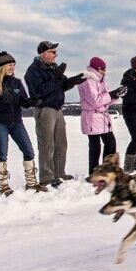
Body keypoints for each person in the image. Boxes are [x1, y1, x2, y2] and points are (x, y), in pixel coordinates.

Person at [24, 41, 87, 187]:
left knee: (61, 143)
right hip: (45, 109)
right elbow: (40, 91)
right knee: (47, 144)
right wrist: (57, 77)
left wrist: (73, 81)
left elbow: (61, 86)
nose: (55, 55)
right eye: (53, 52)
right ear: (44, 53)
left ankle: (59, 173)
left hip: (57, 108)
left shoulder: (53, 69)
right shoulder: (32, 71)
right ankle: (47, 177)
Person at [0, 51, 47, 196]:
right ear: (2, 66)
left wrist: (32, 101)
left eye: (13, 65)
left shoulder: (17, 82)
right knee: (2, 153)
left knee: (29, 150)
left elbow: (24, 102)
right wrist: (5, 99)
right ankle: (3, 186)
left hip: (16, 122)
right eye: (9, 65)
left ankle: (31, 183)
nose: (12, 67)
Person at [78, 57, 127, 175]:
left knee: (110, 143)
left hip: (102, 117)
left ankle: (107, 170)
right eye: (103, 68)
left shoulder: (102, 81)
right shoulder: (87, 81)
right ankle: (94, 172)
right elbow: (95, 101)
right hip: (91, 116)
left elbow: (107, 101)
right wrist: (111, 94)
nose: (105, 71)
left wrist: (116, 95)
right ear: (97, 68)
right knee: (95, 147)